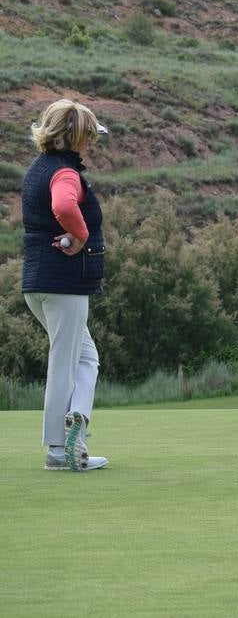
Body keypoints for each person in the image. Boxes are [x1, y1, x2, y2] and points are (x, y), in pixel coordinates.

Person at [21, 99, 111, 471]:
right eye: (89, 136)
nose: (91, 143)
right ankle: (60, 449)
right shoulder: (65, 173)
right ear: (77, 137)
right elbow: (63, 205)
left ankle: (76, 420)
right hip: (63, 284)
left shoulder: (38, 168)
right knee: (64, 362)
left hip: (37, 284)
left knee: (86, 357)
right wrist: (82, 234)